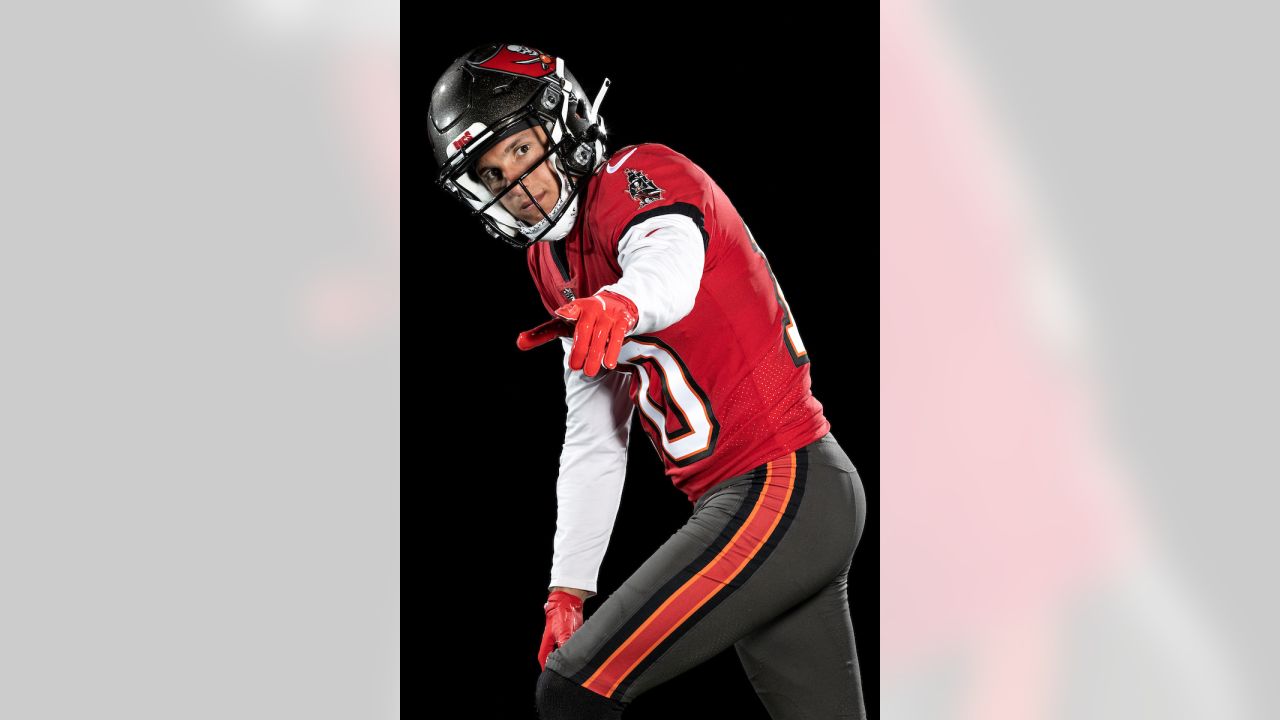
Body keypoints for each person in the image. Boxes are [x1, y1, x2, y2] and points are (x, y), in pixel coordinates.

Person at [428, 42, 868, 720]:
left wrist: (624, 302)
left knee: (573, 691)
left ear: (562, 120)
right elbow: (595, 436)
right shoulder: (549, 266)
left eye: (518, 149)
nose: (516, 181)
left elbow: (671, 256)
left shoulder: (641, 173)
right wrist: (567, 588)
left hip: (781, 483)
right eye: (491, 171)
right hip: (773, 501)